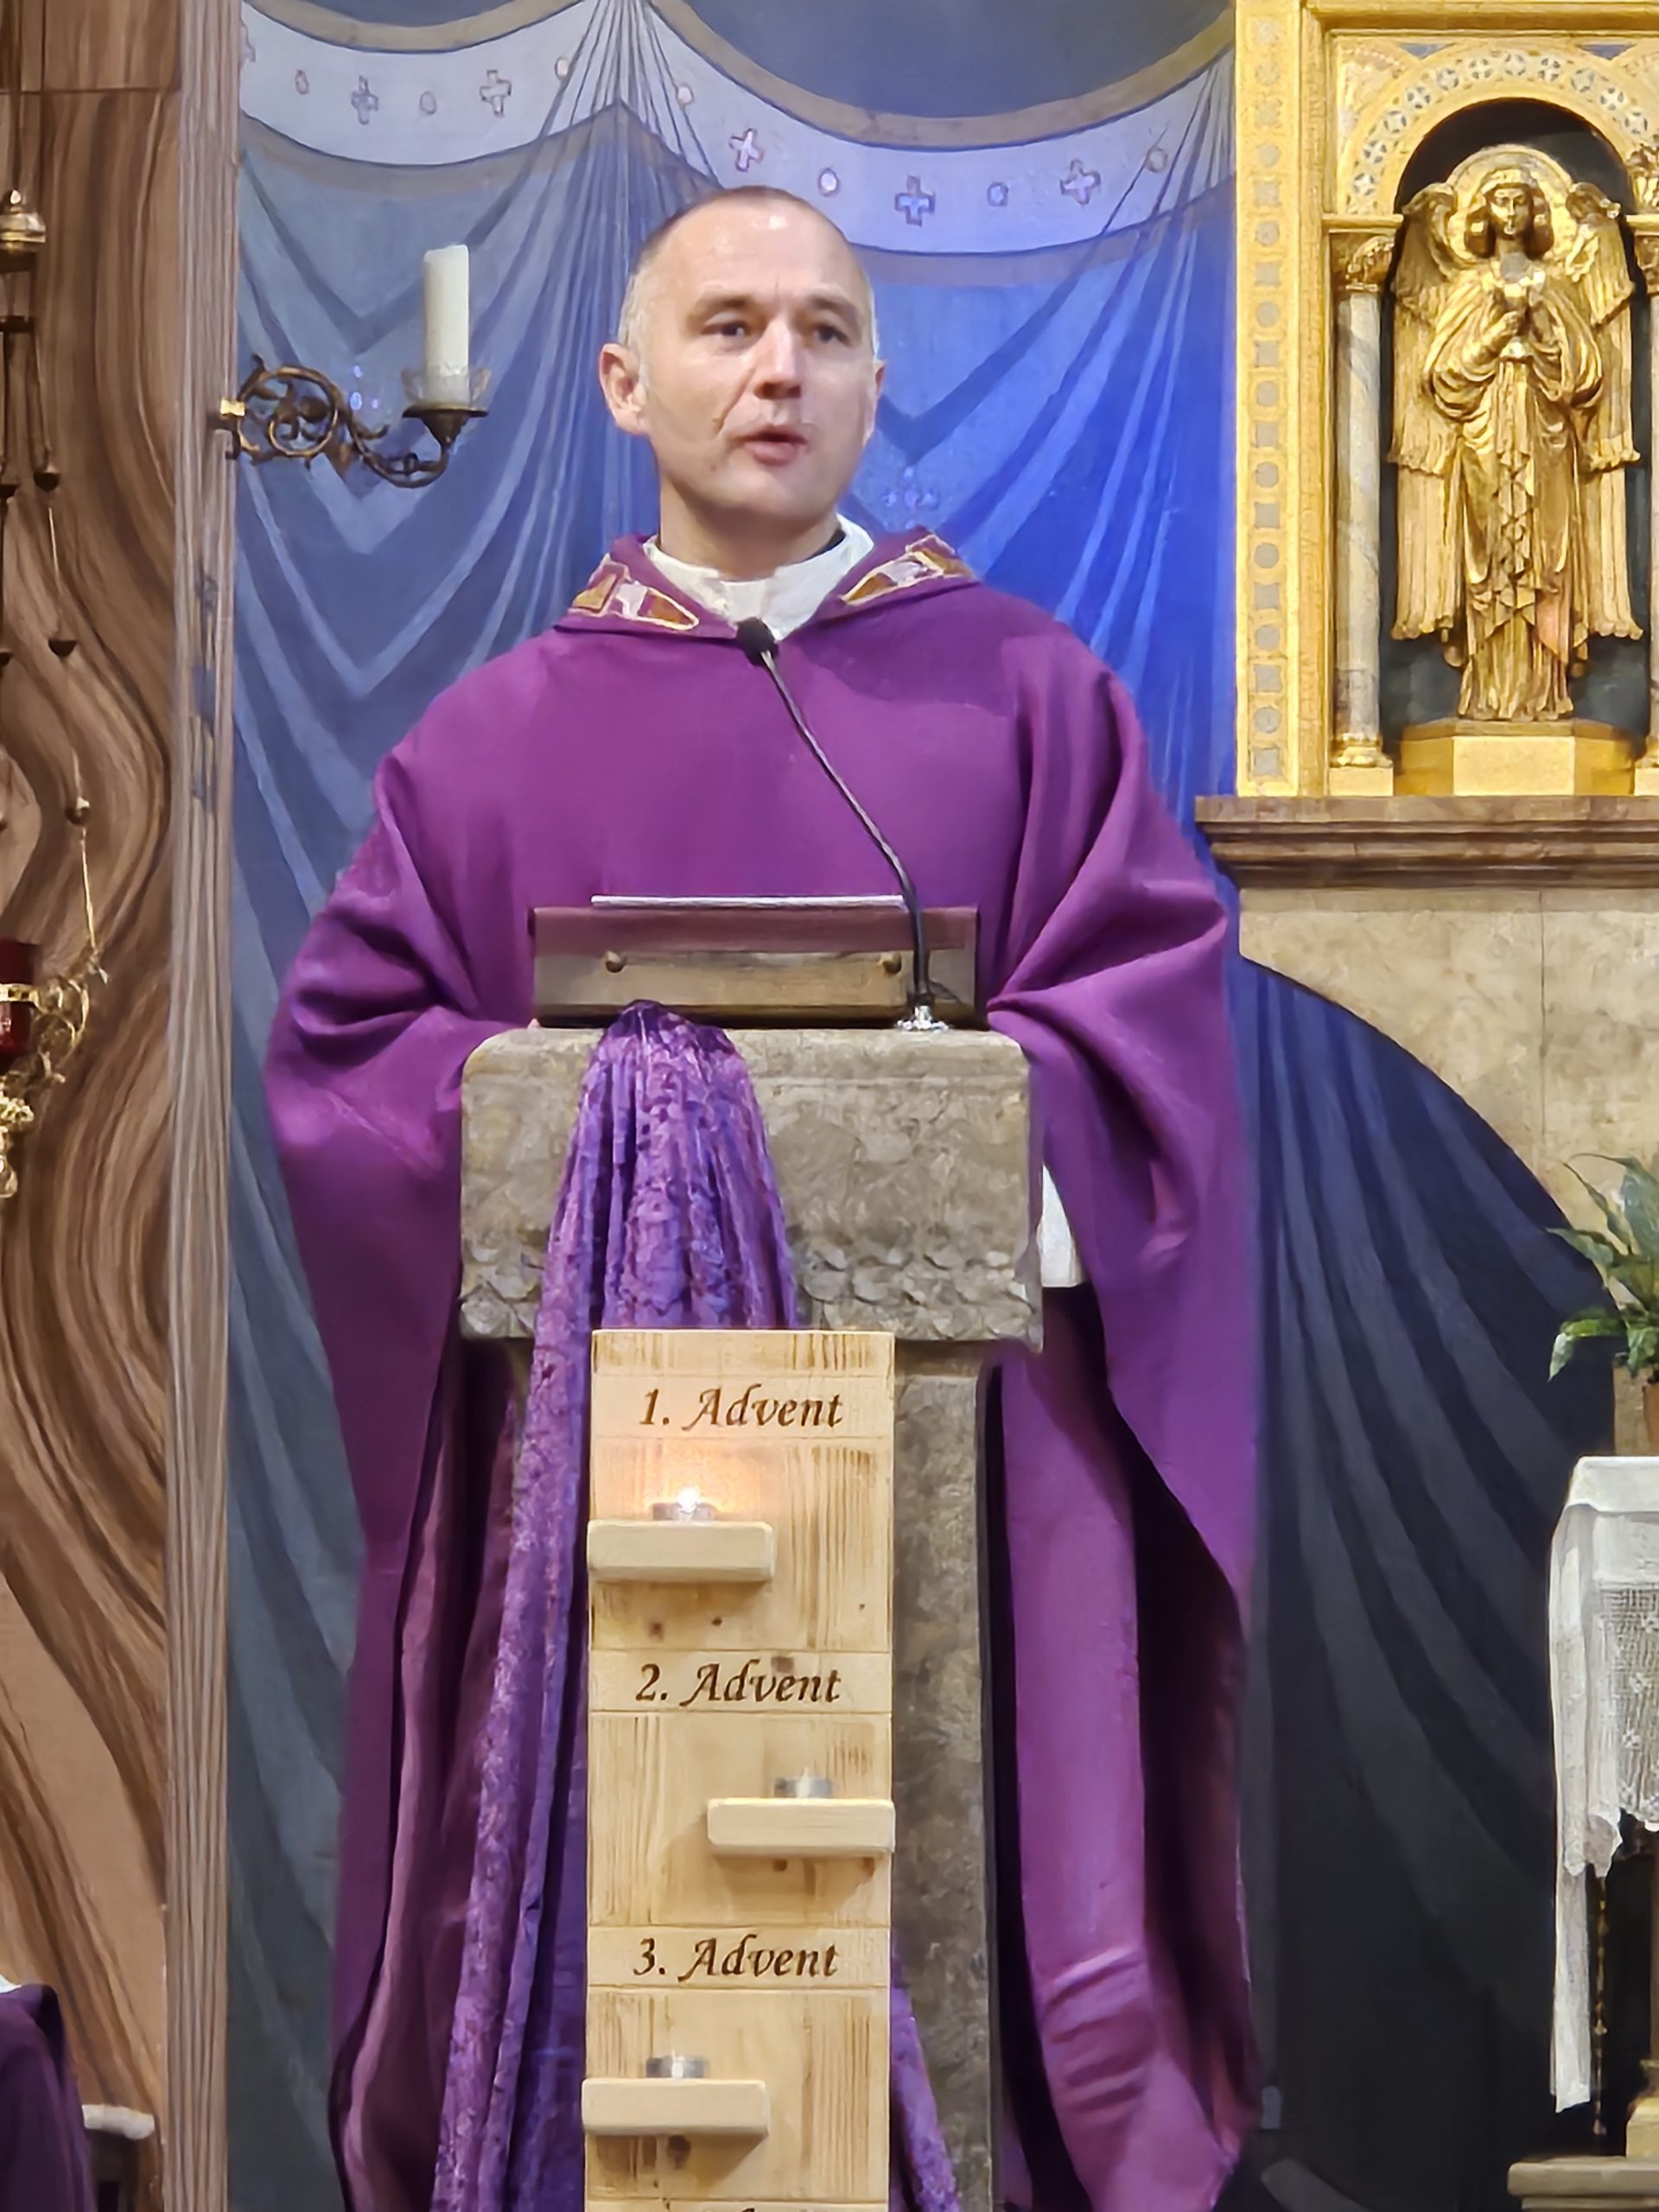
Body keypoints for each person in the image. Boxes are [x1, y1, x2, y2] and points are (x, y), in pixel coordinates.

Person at [266, 185, 1255, 2212]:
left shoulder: (1025, 697)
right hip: (611, 1470)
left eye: (821, 330)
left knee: (971, 1894)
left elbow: (1142, 1027)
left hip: (965, 1467)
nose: (780, 368)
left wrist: (982, 1131)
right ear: (626, 382)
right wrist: (578, 1128)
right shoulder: (492, 741)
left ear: (878, 383)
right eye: (727, 327)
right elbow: (349, 1062)